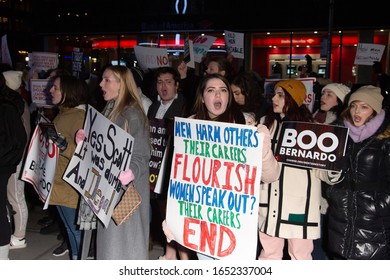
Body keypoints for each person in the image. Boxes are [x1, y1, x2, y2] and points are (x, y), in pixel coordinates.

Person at [162, 73, 280, 260]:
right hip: (203, 223)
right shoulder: (189, 129)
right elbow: (179, 179)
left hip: (236, 223)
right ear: (202, 97)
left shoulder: (247, 125)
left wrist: (264, 149)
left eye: (223, 90)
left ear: (229, 96)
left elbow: (271, 176)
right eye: (211, 90)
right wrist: (174, 218)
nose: (218, 95)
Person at [257, 79, 336, 260]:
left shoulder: (313, 129)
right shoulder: (265, 124)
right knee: (269, 255)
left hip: (299, 205)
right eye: (274, 94)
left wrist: (333, 170)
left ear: (293, 99)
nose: (274, 99)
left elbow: (320, 169)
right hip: (268, 201)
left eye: (281, 95)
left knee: (300, 256)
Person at [326, 85, 390, 259]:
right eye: (354, 105)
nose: (356, 111)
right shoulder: (338, 132)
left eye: (364, 107)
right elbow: (328, 170)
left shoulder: (385, 138)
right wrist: (333, 190)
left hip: (374, 221)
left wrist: (379, 204)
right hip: (341, 216)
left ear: (375, 110)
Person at [95, 65, 151, 259]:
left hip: (126, 193)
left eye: (107, 80)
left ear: (122, 85)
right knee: (111, 245)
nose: (101, 84)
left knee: (125, 246)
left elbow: (143, 154)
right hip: (110, 189)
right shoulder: (110, 109)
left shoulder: (132, 114)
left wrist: (132, 171)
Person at [147, 66, 192, 260]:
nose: (163, 86)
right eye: (159, 82)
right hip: (154, 166)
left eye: (168, 82)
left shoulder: (185, 106)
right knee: (161, 211)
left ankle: (182, 257)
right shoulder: (153, 106)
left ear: (177, 85)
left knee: (174, 214)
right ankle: (170, 253)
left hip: (173, 168)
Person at [47, 74, 89, 260]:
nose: (51, 90)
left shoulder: (79, 117)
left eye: (55, 87)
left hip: (69, 187)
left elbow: (84, 154)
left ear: (68, 92)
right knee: (70, 230)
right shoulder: (64, 114)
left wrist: (61, 144)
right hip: (59, 184)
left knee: (75, 231)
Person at [311, 82, 350, 260]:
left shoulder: (340, 127)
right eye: (323, 93)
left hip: (328, 196)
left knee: (325, 245)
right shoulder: (315, 117)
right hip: (312, 192)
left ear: (340, 100)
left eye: (329, 94)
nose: (323, 97)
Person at [2, 70, 31, 250]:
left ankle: (19, 236)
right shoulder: (17, 102)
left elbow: (20, 136)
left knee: (16, 196)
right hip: (14, 156)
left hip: (16, 158)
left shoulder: (16, 104)